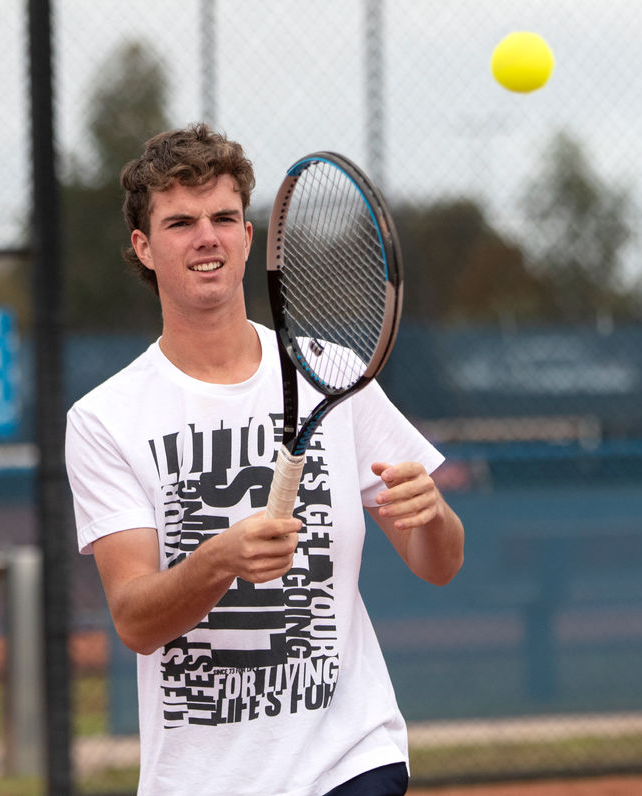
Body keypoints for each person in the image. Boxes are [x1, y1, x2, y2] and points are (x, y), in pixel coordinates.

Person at [64, 124, 465, 796]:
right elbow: (134, 619)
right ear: (144, 247)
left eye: (224, 218)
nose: (207, 237)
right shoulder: (104, 418)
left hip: (350, 761)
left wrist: (433, 515)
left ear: (249, 238)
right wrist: (219, 560)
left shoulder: (333, 374)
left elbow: (439, 564)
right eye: (181, 222)